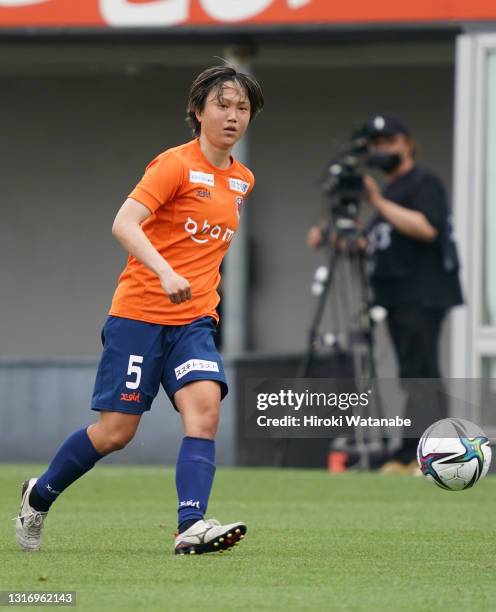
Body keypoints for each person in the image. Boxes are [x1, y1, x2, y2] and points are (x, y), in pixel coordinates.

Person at [15, 65, 264, 555]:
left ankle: (190, 525)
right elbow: (124, 224)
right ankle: (38, 495)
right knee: (115, 433)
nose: (233, 116)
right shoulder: (173, 165)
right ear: (197, 111)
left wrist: (197, 291)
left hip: (193, 321)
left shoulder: (242, 180)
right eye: (223, 104)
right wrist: (166, 271)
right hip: (139, 317)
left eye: (243, 108)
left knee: (205, 410)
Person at [308, 114, 463, 474]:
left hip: (422, 292)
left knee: (421, 372)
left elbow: (426, 229)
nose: (383, 150)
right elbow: (372, 243)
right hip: (394, 295)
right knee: (411, 373)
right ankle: (412, 450)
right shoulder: (391, 192)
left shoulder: (422, 183)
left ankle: (421, 453)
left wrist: (376, 200)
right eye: (377, 145)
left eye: (390, 142)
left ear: (407, 143)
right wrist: (333, 238)